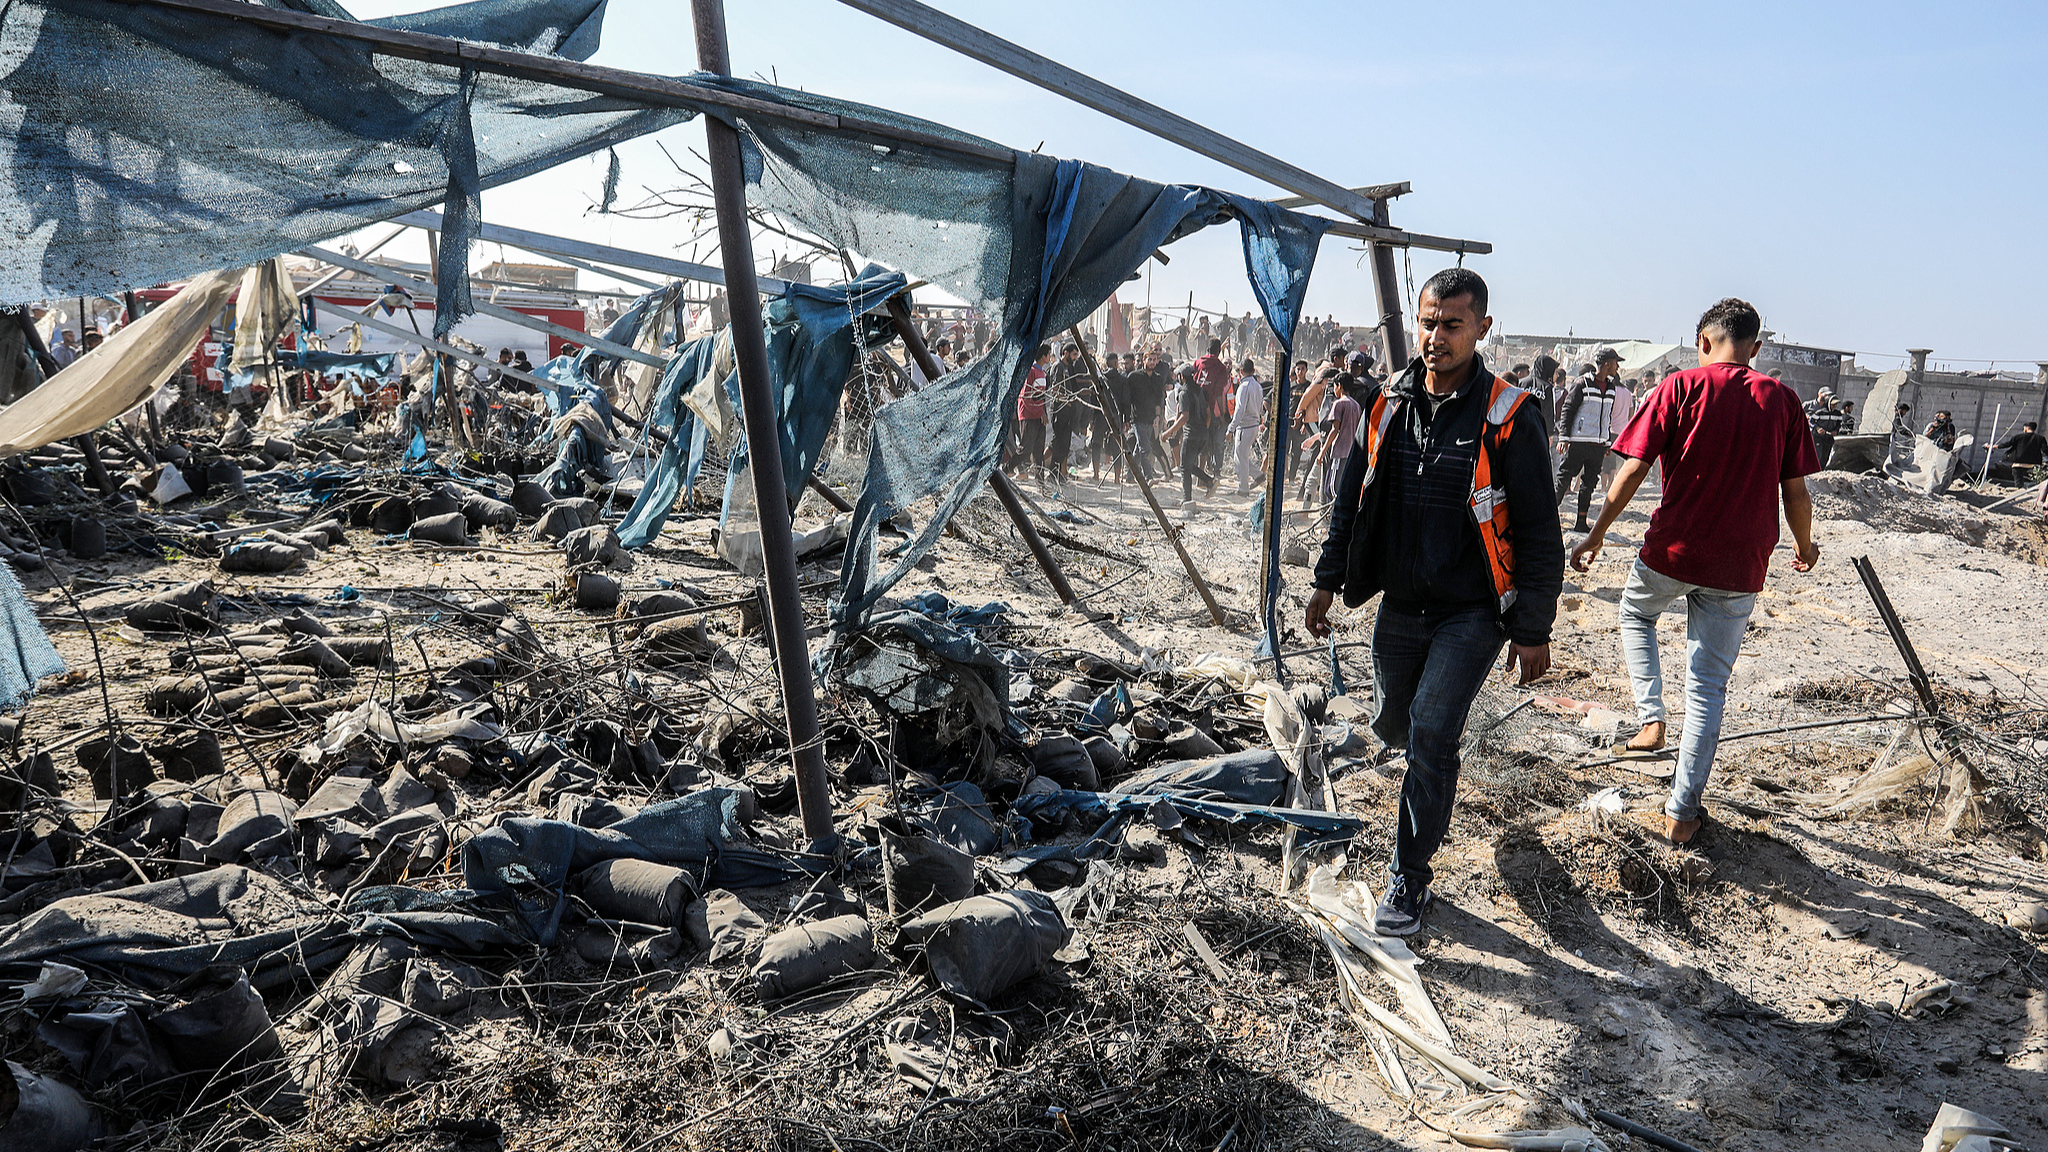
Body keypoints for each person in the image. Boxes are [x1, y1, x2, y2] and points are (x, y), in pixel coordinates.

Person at [1306, 268, 1562, 936]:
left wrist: (1532, 626)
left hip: (1472, 611)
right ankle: (1429, 761)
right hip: (1401, 605)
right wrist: (1327, 580)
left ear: (1482, 328)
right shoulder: (1387, 405)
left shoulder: (1510, 416)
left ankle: (1409, 879)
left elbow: (1539, 531)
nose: (1435, 337)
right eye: (1427, 322)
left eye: (1452, 325)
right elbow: (1348, 505)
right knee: (1393, 724)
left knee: (1429, 730)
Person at [1569, 298, 1820, 847]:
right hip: (1741, 563)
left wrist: (1596, 532)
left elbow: (1632, 468)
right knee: (1708, 686)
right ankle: (1683, 813)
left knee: (1635, 613)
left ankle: (1651, 717)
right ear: (1756, 348)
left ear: (1703, 341)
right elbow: (1795, 491)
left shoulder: (1680, 387)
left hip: (1674, 550)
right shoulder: (1783, 400)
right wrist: (1806, 545)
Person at [1554, 347, 1636, 532]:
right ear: (1607, 363)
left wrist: (1607, 442)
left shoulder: (1611, 388)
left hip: (1598, 444)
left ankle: (1581, 522)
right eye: (1616, 363)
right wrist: (1564, 437)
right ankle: (1548, 517)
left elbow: (1607, 417)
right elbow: (1568, 409)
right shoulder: (1582, 383)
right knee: (1564, 479)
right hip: (1578, 441)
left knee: (1589, 484)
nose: (1617, 367)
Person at [1163, 363, 1215, 503]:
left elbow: (1184, 416)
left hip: (1191, 434)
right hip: (1203, 433)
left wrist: (1168, 432)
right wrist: (1203, 429)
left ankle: (1187, 500)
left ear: (1181, 377)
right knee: (1187, 464)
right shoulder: (1202, 391)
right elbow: (1208, 415)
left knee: (1185, 469)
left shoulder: (1184, 392)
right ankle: (1209, 481)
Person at [1314, 372, 1364, 503]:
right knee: (1342, 486)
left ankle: (1333, 518)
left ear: (1340, 386)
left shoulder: (1339, 404)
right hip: (1350, 453)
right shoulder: (1356, 406)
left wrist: (1322, 452)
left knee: (1331, 489)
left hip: (1339, 452)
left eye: (1335, 386)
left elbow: (1334, 430)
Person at [1012, 343, 1052, 481]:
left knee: (1038, 450)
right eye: (1049, 354)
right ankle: (1006, 469)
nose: (1050, 357)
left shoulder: (1043, 373)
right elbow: (1025, 396)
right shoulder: (1031, 371)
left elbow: (1041, 397)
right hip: (1028, 415)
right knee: (1025, 449)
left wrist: (1043, 413)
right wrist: (1039, 412)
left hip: (1039, 416)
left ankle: (1040, 481)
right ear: (1043, 356)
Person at [1228, 358, 1265, 495]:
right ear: (1253, 371)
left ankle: (1243, 489)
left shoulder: (1243, 387)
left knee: (1241, 458)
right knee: (1239, 455)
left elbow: (1239, 410)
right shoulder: (1258, 386)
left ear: (1241, 372)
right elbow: (1260, 407)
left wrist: (1231, 428)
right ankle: (1258, 475)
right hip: (1254, 424)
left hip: (1245, 426)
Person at [1525, 354, 1562, 442]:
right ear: (1549, 371)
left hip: (1520, 430)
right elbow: (1548, 413)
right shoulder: (1547, 388)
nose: (1557, 376)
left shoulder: (1522, 383)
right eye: (1556, 372)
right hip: (1537, 433)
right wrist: (1550, 435)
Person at [1805, 387, 1844, 468]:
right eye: (1833, 404)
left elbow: (1839, 424)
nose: (1835, 406)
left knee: (1825, 457)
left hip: (1828, 438)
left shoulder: (1837, 414)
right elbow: (1810, 421)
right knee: (1817, 455)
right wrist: (1817, 428)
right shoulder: (1817, 410)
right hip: (1817, 436)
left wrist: (1836, 431)